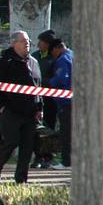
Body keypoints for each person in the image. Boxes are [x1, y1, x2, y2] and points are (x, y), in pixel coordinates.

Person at [0, 30, 43, 183]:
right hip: (11, 112)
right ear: (14, 43)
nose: (27, 43)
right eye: (23, 41)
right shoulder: (2, 63)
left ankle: (21, 179)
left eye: (28, 41)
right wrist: (1, 107)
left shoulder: (34, 62)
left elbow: (38, 88)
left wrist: (40, 108)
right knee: (10, 143)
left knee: (27, 147)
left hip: (31, 113)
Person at [34, 29, 59, 167]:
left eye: (42, 42)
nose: (39, 44)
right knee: (36, 129)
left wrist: (45, 82)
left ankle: (48, 157)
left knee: (49, 128)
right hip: (36, 98)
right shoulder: (35, 56)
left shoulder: (55, 59)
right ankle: (37, 156)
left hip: (51, 100)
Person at [47, 36, 72, 169]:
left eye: (53, 52)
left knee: (66, 132)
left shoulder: (63, 60)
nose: (53, 56)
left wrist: (49, 82)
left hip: (66, 102)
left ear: (58, 48)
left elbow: (62, 78)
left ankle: (66, 161)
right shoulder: (73, 55)